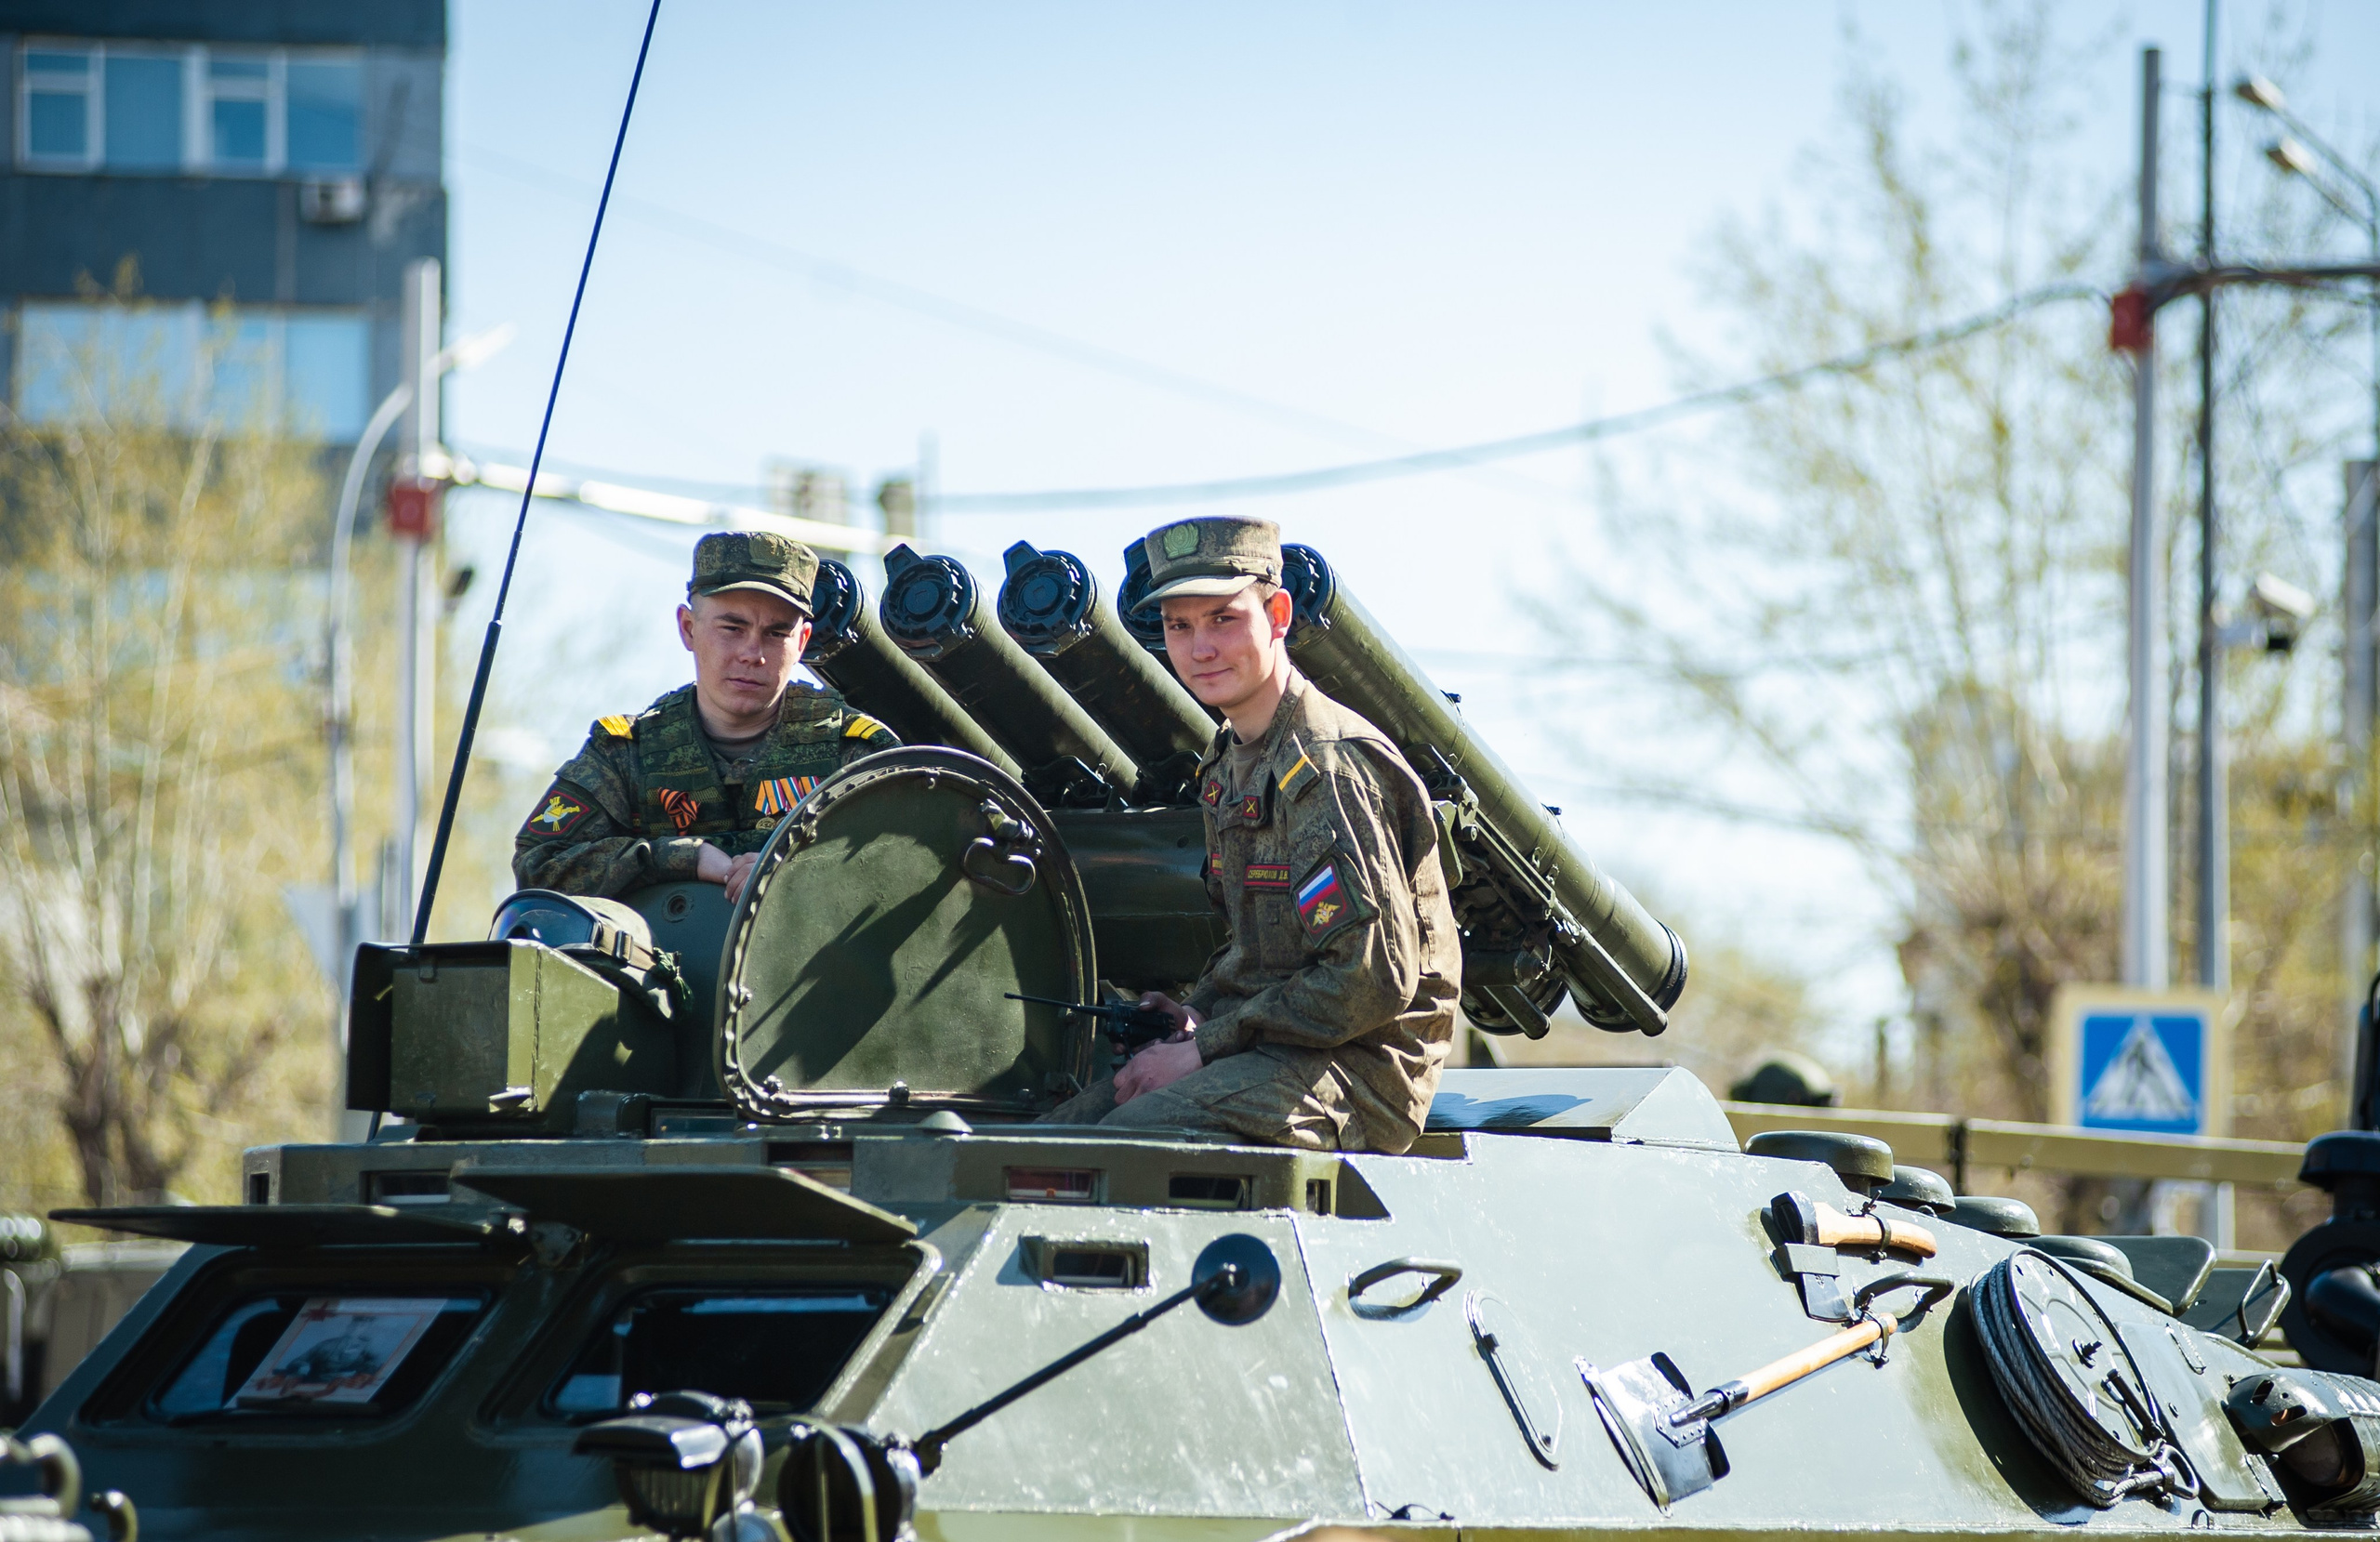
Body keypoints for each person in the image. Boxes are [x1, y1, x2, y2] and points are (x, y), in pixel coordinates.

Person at [1045, 516, 1461, 1153]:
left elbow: (1371, 979)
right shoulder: (1231, 762)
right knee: (1041, 1138)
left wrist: (1204, 1046)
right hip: (1279, 1050)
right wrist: (1197, 1013)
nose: (1200, 648)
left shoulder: (1325, 767)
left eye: (1223, 619)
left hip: (1364, 1074)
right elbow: (1265, 952)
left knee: (1124, 1144)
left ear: (1279, 613)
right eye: (1178, 626)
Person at [514, 531, 897, 901]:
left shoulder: (854, 753)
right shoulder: (627, 755)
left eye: (776, 634)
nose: (752, 653)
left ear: (801, 642)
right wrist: (681, 858)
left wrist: (797, 871)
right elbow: (539, 866)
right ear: (688, 628)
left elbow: (912, 863)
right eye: (732, 627)